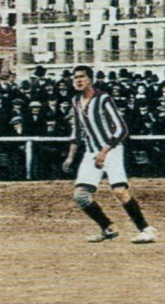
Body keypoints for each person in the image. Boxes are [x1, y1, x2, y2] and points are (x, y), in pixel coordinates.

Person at [62, 65, 157, 244]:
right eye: (75, 78)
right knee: (80, 195)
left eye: (82, 77)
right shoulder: (75, 101)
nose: (78, 80)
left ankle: (146, 229)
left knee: (120, 191)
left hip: (111, 150)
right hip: (91, 152)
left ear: (90, 79)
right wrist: (70, 156)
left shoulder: (103, 98)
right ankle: (108, 228)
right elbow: (76, 130)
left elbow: (121, 128)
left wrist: (104, 152)